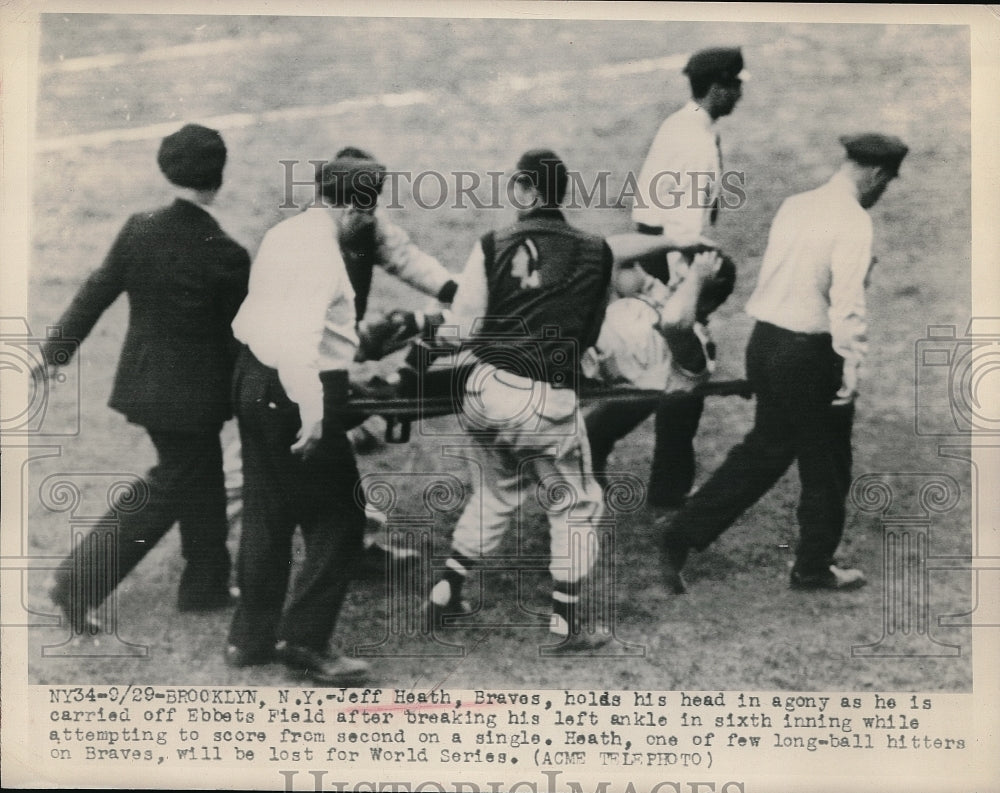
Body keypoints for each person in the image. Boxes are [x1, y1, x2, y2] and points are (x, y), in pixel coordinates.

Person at [423, 149, 722, 651]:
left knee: (496, 493)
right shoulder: (594, 251)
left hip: (480, 391)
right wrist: (679, 245)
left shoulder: (490, 244)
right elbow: (608, 282)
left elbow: (462, 330)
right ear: (561, 194)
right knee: (577, 505)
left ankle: (446, 591)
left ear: (524, 191)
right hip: (542, 400)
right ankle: (565, 626)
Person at [661, 133, 909, 594]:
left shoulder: (796, 205)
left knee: (768, 448)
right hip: (811, 353)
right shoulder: (854, 221)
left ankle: (682, 533)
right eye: (886, 183)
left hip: (767, 343)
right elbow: (847, 303)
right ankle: (814, 565)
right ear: (876, 174)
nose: (882, 193)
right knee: (827, 461)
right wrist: (850, 368)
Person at [40, 124, 250, 630]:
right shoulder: (228, 254)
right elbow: (241, 339)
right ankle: (74, 583)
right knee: (174, 484)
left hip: (144, 385)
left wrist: (54, 354)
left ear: (166, 170)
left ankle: (206, 584)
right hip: (196, 400)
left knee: (200, 481)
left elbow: (97, 291)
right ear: (219, 176)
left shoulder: (139, 228)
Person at [221, 146, 458, 576]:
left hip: (319, 361)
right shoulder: (312, 242)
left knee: (325, 472)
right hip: (292, 369)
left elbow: (407, 259)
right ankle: (208, 542)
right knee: (258, 470)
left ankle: (351, 546)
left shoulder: (357, 226)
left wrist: (454, 289)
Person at [221, 153, 412, 684]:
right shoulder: (325, 257)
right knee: (341, 517)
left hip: (251, 376)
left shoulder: (286, 232)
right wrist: (311, 413)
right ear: (354, 207)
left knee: (267, 511)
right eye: (368, 213)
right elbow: (302, 341)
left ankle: (250, 637)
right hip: (296, 386)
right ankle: (304, 640)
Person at [586, 46, 747, 509]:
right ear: (720, 87)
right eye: (735, 85)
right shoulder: (695, 139)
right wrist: (688, 288)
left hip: (656, 251)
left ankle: (603, 443)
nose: (739, 94)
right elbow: (685, 229)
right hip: (671, 259)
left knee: (654, 367)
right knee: (678, 370)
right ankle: (667, 487)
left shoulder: (684, 124)